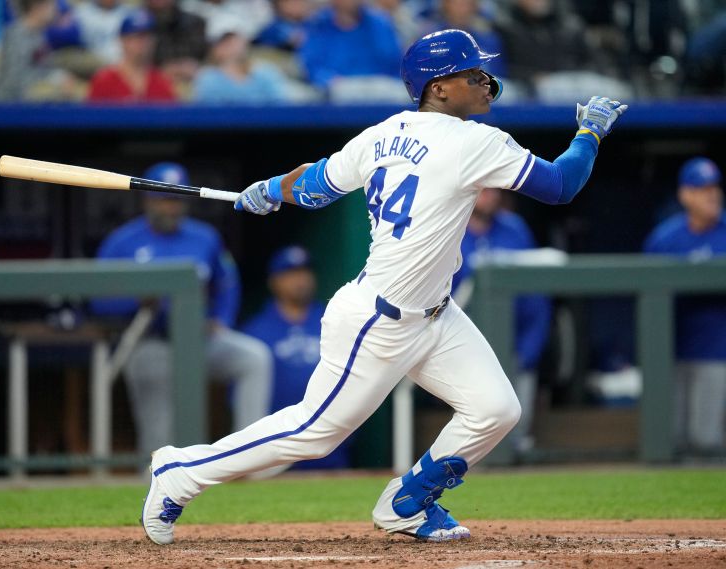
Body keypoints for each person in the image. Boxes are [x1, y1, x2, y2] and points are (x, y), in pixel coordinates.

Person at [141, 29, 627, 544]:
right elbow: (560, 185)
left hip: (435, 315)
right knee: (313, 433)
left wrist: (271, 190)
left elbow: (313, 184)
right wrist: (588, 135)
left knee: (495, 410)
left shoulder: (379, 134)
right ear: (438, 88)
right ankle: (182, 471)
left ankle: (407, 503)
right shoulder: (475, 142)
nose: (487, 83)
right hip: (379, 318)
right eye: (473, 75)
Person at [90, 162, 273, 458]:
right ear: (147, 199)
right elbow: (97, 299)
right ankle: (155, 473)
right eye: (163, 198)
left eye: (176, 199)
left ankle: (250, 458)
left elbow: (227, 282)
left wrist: (221, 320)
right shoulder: (122, 242)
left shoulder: (204, 237)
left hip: (199, 340)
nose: (170, 207)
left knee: (254, 358)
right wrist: (136, 300)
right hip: (149, 341)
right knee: (159, 425)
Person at [451, 188, 551, 454]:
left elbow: (535, 296)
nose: (490, 196)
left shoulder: (515, 229)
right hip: (465, 348)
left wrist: (531, 345)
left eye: (494, 190)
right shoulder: (448, 228)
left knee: (515, 427)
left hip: (515, 343)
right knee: (473, 428)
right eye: (484, 190)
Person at [643, 157, 726, 453]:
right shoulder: (665, 238)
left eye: (714, 187)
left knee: (707, 439)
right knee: (670, 437)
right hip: (672, 351)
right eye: (702, 188)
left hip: (717, 350)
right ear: (685, 194)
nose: (712, 194)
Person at [242, 246, 351, 469]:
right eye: (290, 273)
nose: (300, 280)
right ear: (274, 281)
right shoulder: (255, 330)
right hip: (275, 452)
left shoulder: (334, 320)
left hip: (331, 449)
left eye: (304, 272)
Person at [298, 0, 401, 91]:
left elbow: (395, 62)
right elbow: (312, 66)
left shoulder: (380, 24)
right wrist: (329, 80)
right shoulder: (318, 26)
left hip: (380, 87)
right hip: (336, 90)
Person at [0, 0, 81, 100]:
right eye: (52, 5)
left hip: (34, 104)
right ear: (39, 6)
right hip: (10, 106)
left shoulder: (40, 35)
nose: (56, 10)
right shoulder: (17, 35)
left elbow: (44, 69)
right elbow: (15, 80)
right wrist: (53, 85)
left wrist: (59, 78)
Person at [87, 9, 176, 102]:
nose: (142, 42)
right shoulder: (104, 81)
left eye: (147, 36)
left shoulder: (162, 82)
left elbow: (173, 114)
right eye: (135, 37)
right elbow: (90, 115)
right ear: (122, 40)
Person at [193, 32, 289, 104]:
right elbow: (208, 109)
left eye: (239, 43)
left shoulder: (266, 72)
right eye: (228, 44)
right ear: (217, 49)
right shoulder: (208, 77)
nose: (236, 48)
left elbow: (279, 102)